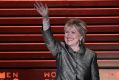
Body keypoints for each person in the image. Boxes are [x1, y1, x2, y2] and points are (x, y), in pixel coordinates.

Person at [34, 2, 100, 80]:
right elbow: (49, 40)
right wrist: (45, 18)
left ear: (81, 36)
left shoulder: (90, 55)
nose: (68, 35)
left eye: (73, 32)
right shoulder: (60, 49)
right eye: (67, 32)